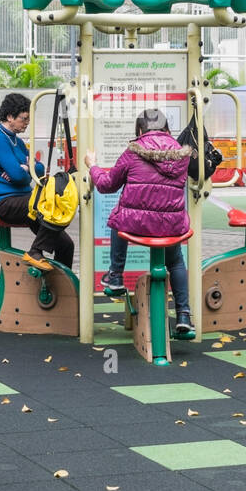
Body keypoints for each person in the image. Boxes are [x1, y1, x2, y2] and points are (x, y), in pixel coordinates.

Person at [84, 109, 193, 334]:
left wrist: (92, 165)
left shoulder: (132, 152)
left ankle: (115, 276)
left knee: (118, 217)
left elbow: (106, 185)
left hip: (135, 226)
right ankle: (184, 315)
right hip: (172, 227)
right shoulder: (182, 155)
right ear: (166, 129)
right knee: (176, 261)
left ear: (140, 130)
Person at [0, 92, 74, 271]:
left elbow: (37, 168)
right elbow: (18, 175)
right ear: (9, 117)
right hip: (5, 201)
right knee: (48, 202)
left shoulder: (17, 141)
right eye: (23, 119)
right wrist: (23, 169)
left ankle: (61, 290)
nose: (27, 123)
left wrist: (24, 168)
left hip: (27, 200)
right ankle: (35, 251)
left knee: (66, 245)